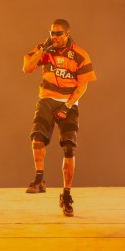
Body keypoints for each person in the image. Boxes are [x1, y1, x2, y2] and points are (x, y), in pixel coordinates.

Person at [22, 18, 97, 217]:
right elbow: (27, 68)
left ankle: (66, 195)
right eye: (52, 33)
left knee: (69, 146)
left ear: (67, 34)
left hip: (68, 102)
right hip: (47, 98)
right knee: (37, 137)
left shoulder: (79, 54)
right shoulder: (45, 48)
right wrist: (42, 51)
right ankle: (40, 179)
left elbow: (83, 85)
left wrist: (68, 105)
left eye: (58, 34)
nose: (54, 37)